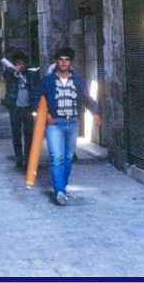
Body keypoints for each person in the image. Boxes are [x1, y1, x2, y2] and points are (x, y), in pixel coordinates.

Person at [34, 47, 101, 205]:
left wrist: (95, 112)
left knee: (68, 158)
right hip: (55, 124)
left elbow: (86, 98)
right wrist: (44, 114)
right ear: (56, 62)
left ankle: (62, 187)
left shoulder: (77, 80)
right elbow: (35, 98)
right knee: (56, 157)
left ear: (70, 62)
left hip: (72, 123)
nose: (64, 62)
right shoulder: (47, 81)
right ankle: (59, 191)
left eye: (67, 60)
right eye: (61, 59)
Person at [2, 51, 40, 169]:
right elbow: (5, 75)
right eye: (18, 63)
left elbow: (36, 88)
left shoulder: (30, 75)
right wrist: (14, 70)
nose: (20, 65)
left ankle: (28, 157)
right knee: (16, 134)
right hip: (15, 108)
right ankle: (19, 158)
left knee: (29, 134)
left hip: (28, 108)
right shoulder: (11, 74)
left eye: (22, 62)